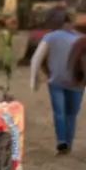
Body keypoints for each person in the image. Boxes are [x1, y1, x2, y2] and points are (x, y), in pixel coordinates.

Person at [30, 10, 83, 153]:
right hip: (77, 83)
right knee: (71, 114)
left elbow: (36, 59)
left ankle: (62, 141)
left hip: (56, 81)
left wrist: (33, 80)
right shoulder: (81, 39)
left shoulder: (50, 37)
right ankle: (68, 143)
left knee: (59, 112)